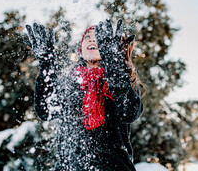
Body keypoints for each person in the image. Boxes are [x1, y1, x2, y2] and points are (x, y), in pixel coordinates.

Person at [25, 19, 143, 171]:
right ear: (80, 49)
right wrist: (47, 64)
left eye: (98, 37)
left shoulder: (120, 80)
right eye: (87, 36)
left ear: (110, 46)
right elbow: (46, 110)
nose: (92, 39)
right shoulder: (70, 83)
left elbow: (130, 112)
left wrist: (113, 63)